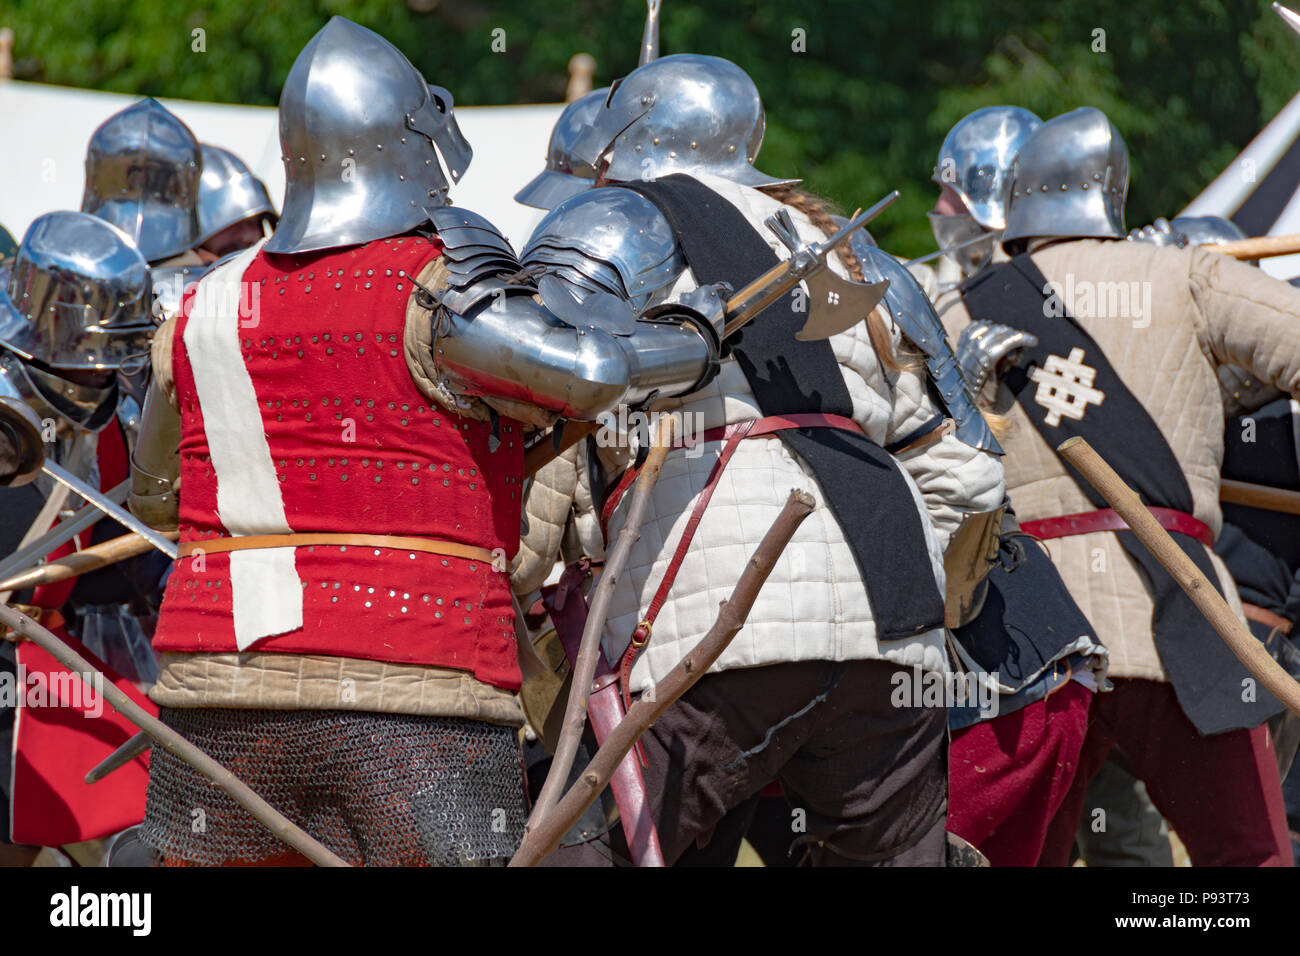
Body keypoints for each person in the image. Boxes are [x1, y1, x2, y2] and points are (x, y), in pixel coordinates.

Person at [128, 16, 721, 867]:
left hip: (218, 689)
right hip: (415, 677)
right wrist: (697, 336)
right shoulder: (438, 286)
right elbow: (588, 373)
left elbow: (156, 497)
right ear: (412, 136)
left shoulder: (198, 305)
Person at [518, 52, 1005, 866]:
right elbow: (968, 469)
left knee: (592, 845)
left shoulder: (617, 219)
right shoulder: (850, 249)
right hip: (895, 612)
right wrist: (916, 602)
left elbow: (539, 385)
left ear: (623, 136)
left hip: (723, 612)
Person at [940, 106, 1300, 866]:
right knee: (1252, 860)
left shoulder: (960, 308)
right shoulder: (1189, 276)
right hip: (1182, 619)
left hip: (1029, 635)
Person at [0, 211, 162, 866]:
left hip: (62, 656)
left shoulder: (121, 415)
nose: (105, 380)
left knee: (136, 839)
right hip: (16, 675)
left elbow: (132, 571)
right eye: (94, 365)